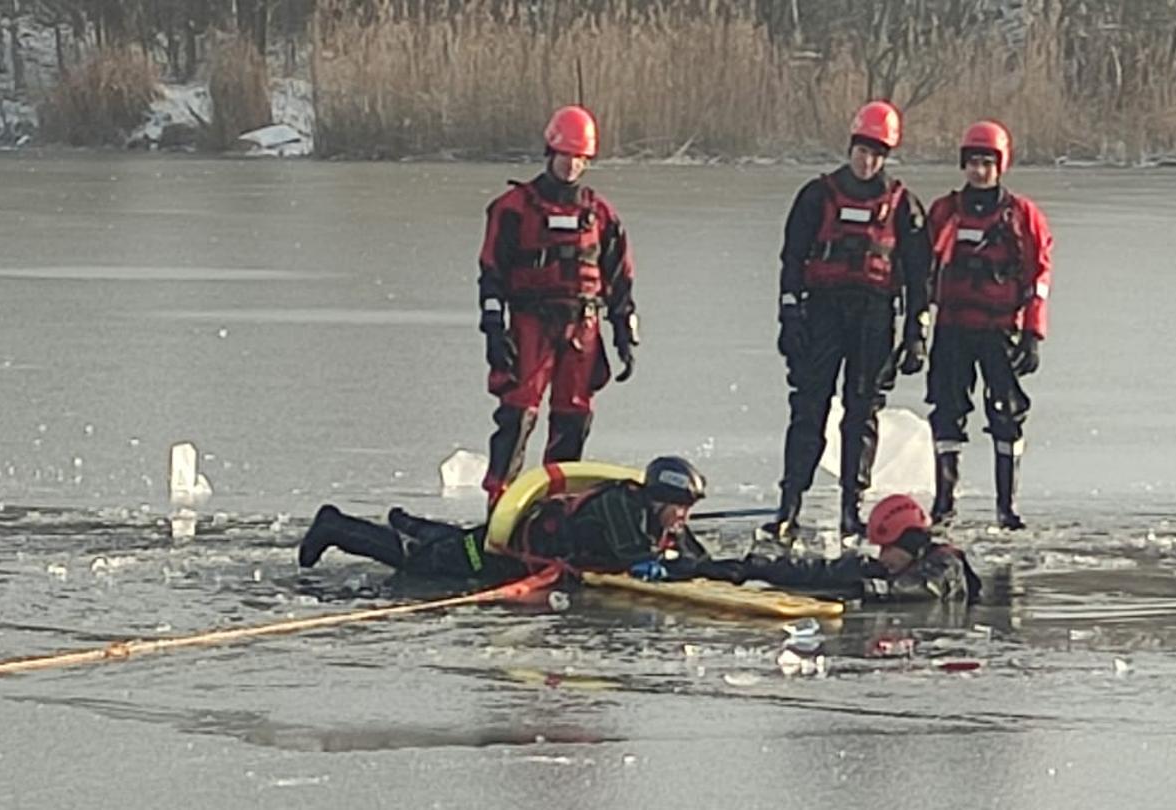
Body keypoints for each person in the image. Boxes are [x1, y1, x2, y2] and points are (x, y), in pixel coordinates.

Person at [769, 100, 933, 541]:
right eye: (863, 151)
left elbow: (920, 276)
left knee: (862, 413)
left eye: (877, 154)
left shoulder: (904, 205)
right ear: (850, 148)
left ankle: (850, 507)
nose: (868, 161)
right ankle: (789, 504)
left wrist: (916, 333)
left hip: (874, 316)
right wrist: (789, 314)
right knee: (809, 408)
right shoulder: (816, 196)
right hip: (822, 312)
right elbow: (792, 259)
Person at [477, 106, 638, 508]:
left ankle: (557, 506)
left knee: (573, 417)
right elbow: (492, 272)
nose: (572, 165)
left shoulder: (600, 215)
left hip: (583, 328)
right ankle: (500, 503)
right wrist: (494, 329)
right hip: (531, 325)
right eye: (566, 156)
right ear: (550, 152)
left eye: (580, 158)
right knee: (518, 414)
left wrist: (624, 331)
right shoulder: (513, 208)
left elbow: (619, 279)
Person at [923, 120, 1054, 530]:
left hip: (1000, 330)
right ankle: (944, 504)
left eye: (986, 163)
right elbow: (922, 268)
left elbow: (1039, 275)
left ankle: (1006, 507)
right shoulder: (944, 212)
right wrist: (915, 328)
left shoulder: (1022, 216)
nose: (979, 171)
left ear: (1000, 166)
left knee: (1006, 414)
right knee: (947, 411)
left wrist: (1032, 333)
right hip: (952, 327)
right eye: (973, 163)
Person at [297, 456, 707, 583]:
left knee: (450, 541)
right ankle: (335, 526)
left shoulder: (659, 516)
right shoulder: (622, 507)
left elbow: (694, 556)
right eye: (680, 507)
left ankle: (407, 521)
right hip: (503, 556)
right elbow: (636, 561)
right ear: (658, 499)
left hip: (520, 547)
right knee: (420, 561)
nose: (683, 517)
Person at [700, 494, 980, 603]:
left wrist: (860, 589)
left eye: (887, 548)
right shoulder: (887, 568)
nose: (882, 556)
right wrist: (758, 567)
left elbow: (921, 589)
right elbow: (820, 571)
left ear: (910, 543)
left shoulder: (946, 565)